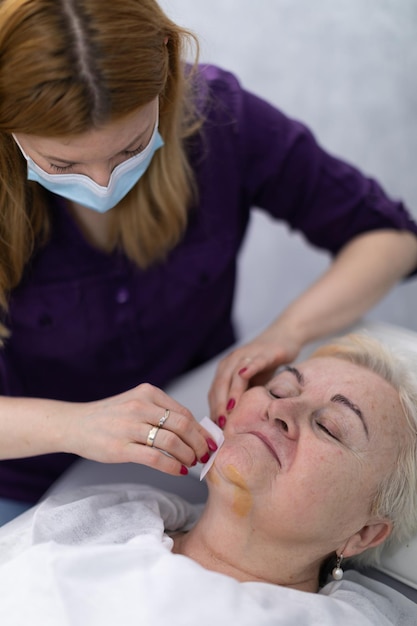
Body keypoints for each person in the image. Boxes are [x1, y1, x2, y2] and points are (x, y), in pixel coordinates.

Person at [1, 0, 417, 524]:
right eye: (62, 164)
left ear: (169, 83)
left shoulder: (221, 119)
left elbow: (390, 238)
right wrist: (74, 426)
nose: (102, 185)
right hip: (23, 478)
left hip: (199, 454)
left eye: (129, 150)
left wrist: (288, 331)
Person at [0, 333, 416, 626]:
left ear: (362, 534)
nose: (281, 411)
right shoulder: (94, 520)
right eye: (279, 389)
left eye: (330, 427)